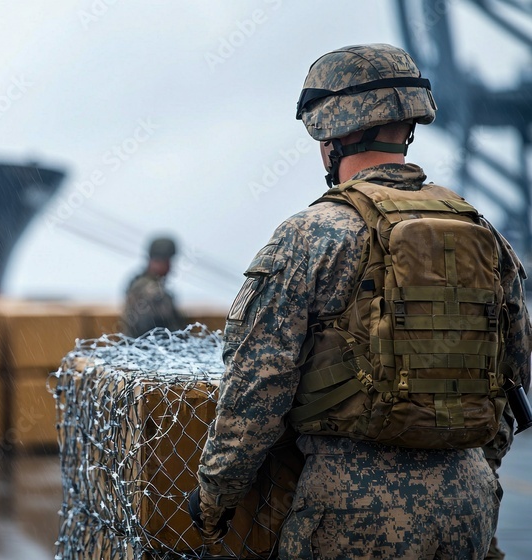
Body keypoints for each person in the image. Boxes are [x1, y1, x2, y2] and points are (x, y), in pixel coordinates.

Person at [191, 44, 530, 558]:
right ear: (407, 126)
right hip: (468, 504)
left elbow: (258, 385)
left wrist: (216, 496)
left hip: (351, 507)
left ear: (334, 135)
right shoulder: (482, 232)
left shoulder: (312, 235)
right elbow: (512, 377)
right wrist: (468, 473)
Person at [121, 236, 187, 336]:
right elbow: (151, 328)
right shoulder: (150, 291)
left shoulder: (142, 285)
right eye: (168, 262)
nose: (170, 267)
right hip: (148, 348)